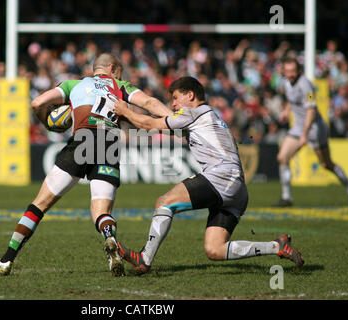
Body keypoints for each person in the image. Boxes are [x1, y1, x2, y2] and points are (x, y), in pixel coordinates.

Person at [0, 53, 172, 277]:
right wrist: (175, 118)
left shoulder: (73, 84)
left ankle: (6, 260)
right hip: (109, 143)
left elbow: (37, 102)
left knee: (40, 204)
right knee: (101, 211)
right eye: (120, 71)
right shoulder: (121, 85)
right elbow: (149, 103)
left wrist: (47, 122)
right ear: (113, 68)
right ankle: (109, 238)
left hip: (82, 140)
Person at [113, 76, 304, 275]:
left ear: (190, 95)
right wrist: (131, 116)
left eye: (176, 98)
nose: (174, 103)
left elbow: (147, 125)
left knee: (165, 202)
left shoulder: (192, 113)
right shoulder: (205, 115)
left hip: (222, 176)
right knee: (215, 249)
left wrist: (125, 111)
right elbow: (167, 123)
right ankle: (277, 246)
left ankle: (145, 259)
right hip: (237, 187)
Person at [275, 58, 348, 207]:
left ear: (298, 71)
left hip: (314, 128)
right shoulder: (286, 83)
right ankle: (286, 197)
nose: (290, 74)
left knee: (326, 164)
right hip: (298, 127)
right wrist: (286, 111)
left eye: (293, 71)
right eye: (288, 71)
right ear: (284, 71)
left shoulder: (307, 86)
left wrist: (305, 134)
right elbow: (292, 101)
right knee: (282, 157)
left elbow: (311, 110)